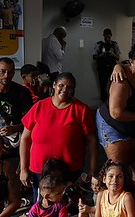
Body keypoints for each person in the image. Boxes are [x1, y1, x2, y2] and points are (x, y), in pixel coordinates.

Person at [20, 72, 98, 202]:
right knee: (41, 207)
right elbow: (24, 139)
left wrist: (92, 169)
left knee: (67, 207)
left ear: (74, 90)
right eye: (61, 85)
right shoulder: (39, 106)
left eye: (69, 87)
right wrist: (23, 169)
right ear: (54, 86)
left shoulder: (81, 110)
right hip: (39, 169)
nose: (65, 90)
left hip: (70, 170)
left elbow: (92, 141)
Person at [97, 44, 135, 182]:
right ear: (131, 63)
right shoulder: (121, 79)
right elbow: (116, 113)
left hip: (133, 122)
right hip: (112, 122)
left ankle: (133, 191)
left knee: (134, 159)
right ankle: (105, 196)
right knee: (117, 166)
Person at [92, 28, 121, 102]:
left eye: (108, 36)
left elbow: (118, 58)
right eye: (106, 36)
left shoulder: (114, 44)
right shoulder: (99, 44)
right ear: (103, 36)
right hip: (102, 68)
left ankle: (113, 101)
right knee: (103, 86)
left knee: (113, 85)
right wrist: (102, 55)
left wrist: (113, 54)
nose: (107, 38)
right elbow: (94, 56)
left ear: (111, 35)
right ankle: (103, 102)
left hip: (112, 68)